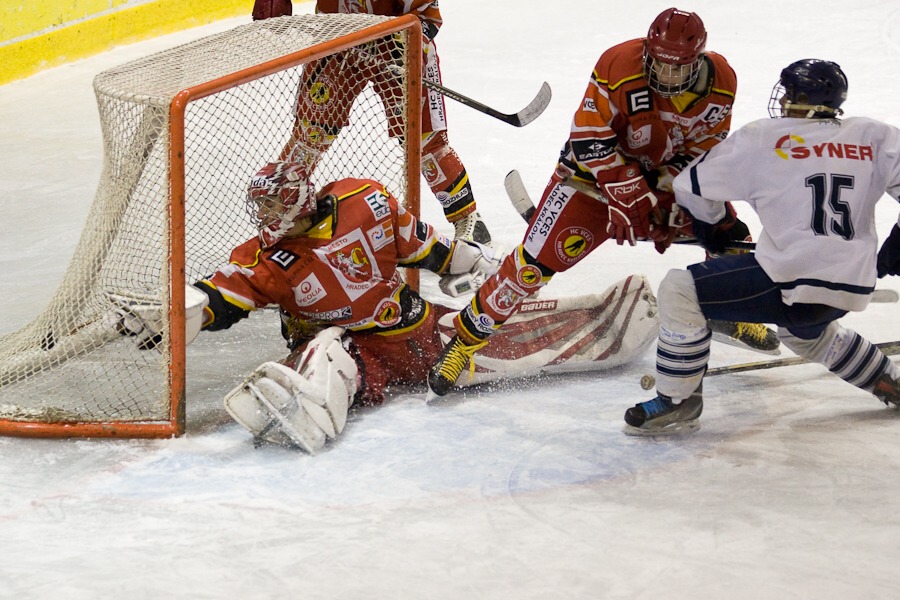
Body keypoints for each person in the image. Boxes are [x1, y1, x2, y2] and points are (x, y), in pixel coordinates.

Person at [184, 161, 657, 452]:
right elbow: (226, 294)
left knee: (486, 333)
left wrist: (477, 263)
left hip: (418, 327)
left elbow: (424, 246)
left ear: (296, 204)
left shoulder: (363, 200)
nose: (263, 217)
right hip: (358, 349)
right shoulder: (270, 259)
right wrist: (191, 309)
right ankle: (304, 404)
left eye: (270, 207)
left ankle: (604, 318)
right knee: (330, 353)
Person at [427, 7, 777, 398]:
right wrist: (627, 196)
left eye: (678, 68)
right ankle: (464, 342)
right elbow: (588, 141)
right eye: (659, 64)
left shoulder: (722, 82)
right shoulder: (619, 64)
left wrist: (660, 198)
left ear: (697, 61)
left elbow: (702, 155)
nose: (666, 75)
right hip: (591, 180)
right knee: (530, 267)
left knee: (729, 236)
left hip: (662, 179)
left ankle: (727, 308)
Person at [622, 58, 900, 435]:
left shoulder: (766, 137)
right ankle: (889, 380)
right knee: (808, 335)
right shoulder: (873, 135)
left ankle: (677, 399)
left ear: (805, 99)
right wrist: (895, 248)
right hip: (852, 285)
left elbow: (689, 186)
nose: (783, 100)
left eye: (790, 93)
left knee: (679, 288)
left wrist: (715, 225)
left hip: (789, 279)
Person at [251, 0, 492, 246]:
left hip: (397, 40)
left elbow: (427, 18)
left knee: (423, 139)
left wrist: (409, 43)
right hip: (336, 35)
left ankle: (469, 219)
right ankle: (279, 220)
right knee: (310, 135)